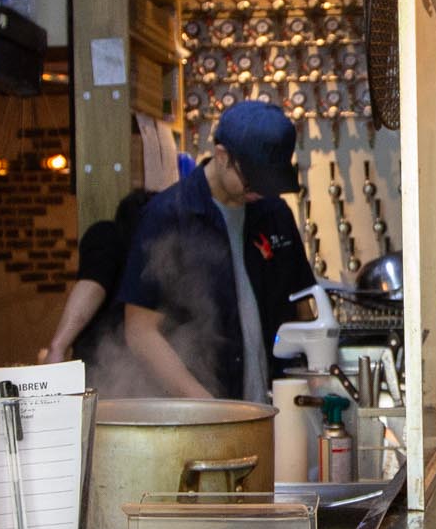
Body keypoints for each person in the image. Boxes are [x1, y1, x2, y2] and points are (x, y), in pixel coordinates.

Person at [120, 99, 317, 402]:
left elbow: (303, 308)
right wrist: (206, 406)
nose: (262, 191)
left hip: (279, 407)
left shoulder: (275, 214)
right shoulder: (169, 216)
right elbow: (140, 332)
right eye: (254, 179)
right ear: (222, 155)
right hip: (203, 412)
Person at [41, 188, 150, 367]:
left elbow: (92, 283)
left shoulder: (108, 234)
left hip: (106, 366)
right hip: (112, 364)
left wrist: (58, 347)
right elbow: (93, 283)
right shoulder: (109, 235)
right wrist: (57, 347)